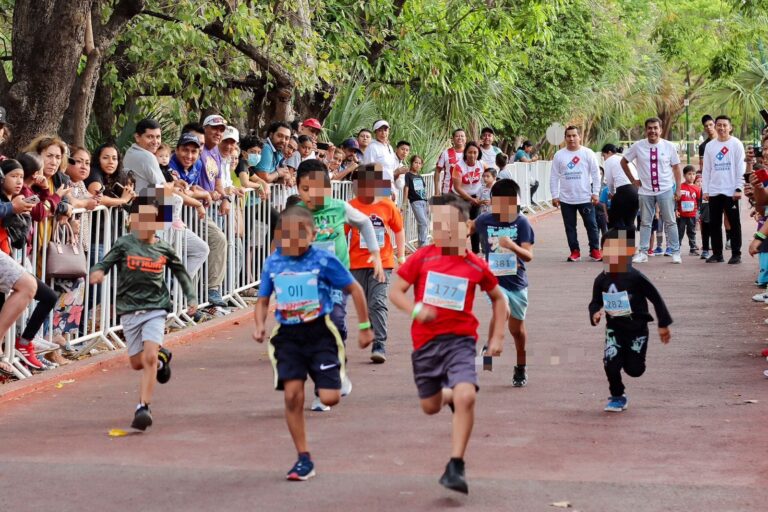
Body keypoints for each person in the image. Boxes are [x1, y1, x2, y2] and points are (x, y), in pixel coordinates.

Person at [389, 194, 507, 494]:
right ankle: (445, 394)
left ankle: (456, 464)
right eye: (437, 225)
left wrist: (496, 337)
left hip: (461, 341)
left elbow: (498, 299)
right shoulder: (424, 256)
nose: (443, 231)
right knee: (429, 407)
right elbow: (397, 292)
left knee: (466, 395)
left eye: (450, 225)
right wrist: (416, 310)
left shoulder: (475, 264)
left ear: (467, 227)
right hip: (426, 344)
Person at [252, 206, 373, 481]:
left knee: (329, 397)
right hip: (288, 337)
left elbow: (354, 289)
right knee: (293, 396)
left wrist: (365, 327)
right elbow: (262, 300)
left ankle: (333, 376)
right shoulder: (273, 262)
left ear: (313, 233)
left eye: (300, 234)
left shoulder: (322, 259)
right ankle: (303, 458)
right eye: (287, 235)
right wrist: (259, 324)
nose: (293, 241)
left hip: (320, 333)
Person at [90, 191, 198, 431]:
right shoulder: (124, 243)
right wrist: (98, 271)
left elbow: (180, 273)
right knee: (137, 363)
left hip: (156, 308)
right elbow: (104, 262)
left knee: (147, 357)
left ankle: (143, 407)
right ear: (133, 221)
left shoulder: (165, 248)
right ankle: (161, 359)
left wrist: (191, 296)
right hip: (129, 310)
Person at [295, 159, 382, 411]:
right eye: (305, 189)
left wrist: (375, 253)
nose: (313, 195)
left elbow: (365, 223)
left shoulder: (339, 208)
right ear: (298, 189)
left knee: (334, 323)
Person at [589, 228, 672, 413]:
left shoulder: (635, 277)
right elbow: (595, 302)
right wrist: (595, 313)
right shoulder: (601, 279)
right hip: (614, 329)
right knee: (611, 364)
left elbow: (655, 297)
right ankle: (617, 395)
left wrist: (663, 324)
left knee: (635, 370)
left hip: (637, 329)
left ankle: (629, 360)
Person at [0, 159, 61, 370]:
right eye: (12, 176)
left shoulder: (15, 200)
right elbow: (39, 213)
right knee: (29, 287)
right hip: (12, 258)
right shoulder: (11, 201)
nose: (18, 182)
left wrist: (45, 193)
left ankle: (22, 344)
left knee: (46, 295)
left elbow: (37, 214)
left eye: (20, 176)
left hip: (12, 257)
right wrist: (12, 208)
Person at [473, 179, 535, 387]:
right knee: (502, 307)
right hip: (494, 281)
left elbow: (528, 256)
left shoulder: (522, 223)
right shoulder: (485, 220)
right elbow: (465, 229)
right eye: (499, 203)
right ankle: (491, 346)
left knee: (518, 332)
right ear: (492, 203)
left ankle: (521, 365)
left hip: (517, 284)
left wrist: (512, 246)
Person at [346, 164, 405, 363]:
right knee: (365, 302)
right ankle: (373, 324)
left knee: (378, 302)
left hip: (383, 261)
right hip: (357, 262)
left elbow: (398, 229)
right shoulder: (351, 206)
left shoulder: (388, 205)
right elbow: (342, 233)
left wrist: (401, 255)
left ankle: (379, 343)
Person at [621, 117, 683, 264]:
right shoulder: (638, 146)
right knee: (645, 222)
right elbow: (623, 162)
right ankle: (643, 252)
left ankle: (675, 252)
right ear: (646, 130)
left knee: (670, 221)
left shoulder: (668, 146)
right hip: (645, 191)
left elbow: (676, 168)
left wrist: (678, 188)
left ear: (660, 130)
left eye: (655, 128)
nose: (652, 131)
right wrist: (633, 181)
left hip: (665, 189)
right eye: (650, 128)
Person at [550, 126, 602, 262]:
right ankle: (575, 251)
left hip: (585, 197)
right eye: (569, 136)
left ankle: (595, 250)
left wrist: (596, 193)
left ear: (579, 137)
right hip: (566, 199)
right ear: (565, 138)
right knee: (570, 227)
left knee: (591, 224)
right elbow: (554, 177)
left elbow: (596, 175)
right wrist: (555, 195)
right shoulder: (559, 155)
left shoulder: (588, 153)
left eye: (574, 136)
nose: (571, 138)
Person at [702, 115, 744, 264]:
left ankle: (736, 254)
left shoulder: (736, 144)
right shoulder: (710, 146)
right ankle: (717, 254)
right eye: (719, 125)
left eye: (725, 125)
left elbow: (741, 168)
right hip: (714, 190)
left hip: (731, 191)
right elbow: (706, 170)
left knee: (734, 223)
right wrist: (705, 190)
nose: (721, 128)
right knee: (714, 223)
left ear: (730, 127)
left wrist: (739, 188)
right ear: (715, 126)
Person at [451, 141, 485, 254]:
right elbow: (457, 187)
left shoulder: (482, 164)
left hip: (477, 199)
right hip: (461, 199)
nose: (472, 155)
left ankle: (475, 253)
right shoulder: (459, 166)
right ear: (465, 153)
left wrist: (483, 195)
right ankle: (458, 252)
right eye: (470, 152)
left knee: (475, 225)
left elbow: (490, 177)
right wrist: (471, 199)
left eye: (475, 152)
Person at [602, 144, 637, 229]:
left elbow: (610, 181)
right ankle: (628, 242)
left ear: (609, 153)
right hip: (636, 191)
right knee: (629, 222)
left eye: (604, 156)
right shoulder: (625, 157)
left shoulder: (609, 160)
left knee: (616, 222)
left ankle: (619, 243)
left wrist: (612, 194)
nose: (604, 158)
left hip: (624, 190)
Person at [361, 120, 399, 198]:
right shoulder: (372, 147)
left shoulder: (389, 147)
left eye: (385, 130)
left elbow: (390, 168)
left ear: (389, 131)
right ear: (375, 132)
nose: (383, 133)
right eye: (380, 130)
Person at [404, 155, 429, 247]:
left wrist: (426, 201)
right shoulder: (408, 175)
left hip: (424, 202)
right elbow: (406, 187)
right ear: (412, 163)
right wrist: (404, 202)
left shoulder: (419, 176)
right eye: (415, 162)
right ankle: (424, 244)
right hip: (415, 202)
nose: (417, 165)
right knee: (423, 222)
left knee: (423, 223)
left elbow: (423, 189)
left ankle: (421, 245)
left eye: (419, 163)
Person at [677, 165, 700, 256]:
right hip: (681, 215)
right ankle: (677, 248)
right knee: (679, 231)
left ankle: (693, 248)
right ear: (684, 175)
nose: (692, 176)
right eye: (689, 174)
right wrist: (676, 210)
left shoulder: (697, 189)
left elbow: (699, 202)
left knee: (692, 232)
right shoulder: (680, 187)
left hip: (692, 215)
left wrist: (698, 213)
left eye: (693, 174)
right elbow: (676, 199)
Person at [435, 128, 466, 195]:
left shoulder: (470, 153)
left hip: (466, 192)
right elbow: (437, 171)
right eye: (457, 136)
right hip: (448, 192)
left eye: (462, 136)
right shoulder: (445, 153)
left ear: (465, 138)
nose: (460, 138)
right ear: (453, 139)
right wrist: (436, 190)